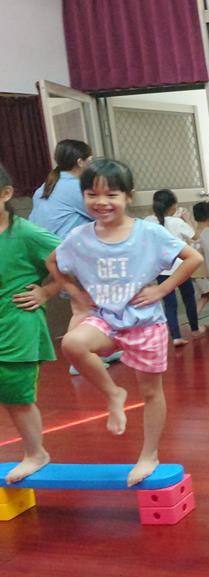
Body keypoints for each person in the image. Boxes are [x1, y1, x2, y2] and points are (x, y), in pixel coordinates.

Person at [47, 159, 203, 486]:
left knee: (151, 392)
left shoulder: (149, 233)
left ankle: (149, 454)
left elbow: (193, 258)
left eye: (111, 195)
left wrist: (161, 289)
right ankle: (113, 394)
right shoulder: (79, 237)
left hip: (145, 324)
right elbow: (53, 262)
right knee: (73, 344)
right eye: (92, 194)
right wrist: (76, 293)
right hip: (104, 319)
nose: (101, 202)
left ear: (128, 196)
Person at [28, 139, 120, 374]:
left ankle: (96, 350)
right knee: (84, 308)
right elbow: (104, 214)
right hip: (75, 256)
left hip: (56, 257)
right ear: (80, 162)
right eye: (89, 159)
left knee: (86, 306)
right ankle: (78, 360)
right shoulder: (76, 187)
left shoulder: (45, 188)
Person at [0, 161, 62, 483]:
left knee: (17, 394)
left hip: (18, 323)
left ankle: (37, 453)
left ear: (6, 194)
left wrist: (46, 291)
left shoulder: (27, 233)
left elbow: (70, 262)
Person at [146, 189, 203, 346]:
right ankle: (194, 329)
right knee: (189, 298)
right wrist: (187, 220)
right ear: (172, 206)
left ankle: (176, 337)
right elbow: (195, 237)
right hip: (181, 267)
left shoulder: (148, 221)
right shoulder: (177, 222)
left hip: (161, 269)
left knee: (169, 304)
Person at [190, 200, 209, 316]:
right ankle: (193, 320)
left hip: (194, 272)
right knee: (206, 296)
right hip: (203, 272)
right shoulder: (206, 233)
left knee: (206, 295)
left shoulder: (194, 231)